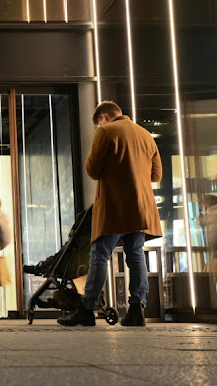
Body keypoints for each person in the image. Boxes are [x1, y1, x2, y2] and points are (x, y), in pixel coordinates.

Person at [59, 101, 162, 327]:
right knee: (135, 254)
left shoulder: (105, 132)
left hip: (115, 205)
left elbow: (92, 170)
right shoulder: (146, 135)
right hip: (141, 208)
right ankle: (137, 309)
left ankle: (86, 308)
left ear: (103, 117)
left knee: (100, 254)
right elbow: (156, 175)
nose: (98, 127)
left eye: (97, 123)